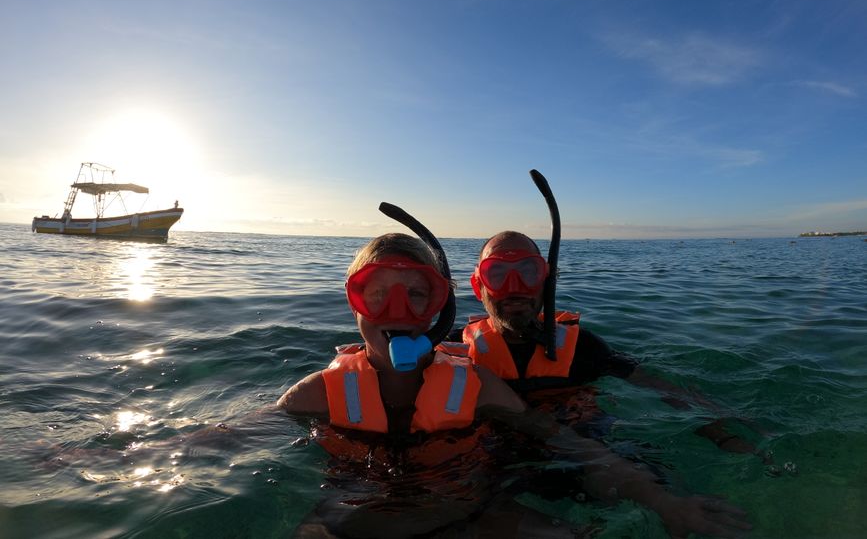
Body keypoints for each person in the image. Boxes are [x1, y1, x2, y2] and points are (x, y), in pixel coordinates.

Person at [279, 217, 751, 538]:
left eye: (416, 296)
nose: (398, 311)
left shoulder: (488, 380)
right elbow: (242, 435)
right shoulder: (322, 391)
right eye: (376, 294)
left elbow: (583, 441)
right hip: (365, 511)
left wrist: (671, 493)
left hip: (483, 496)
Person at [461, 229, 761, 456]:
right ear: (478, 286)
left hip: (587, 452)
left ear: (547, 281)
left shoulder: (584, 347)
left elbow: (660, 388)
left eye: (529, 273)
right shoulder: (456, 355)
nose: (515, 288)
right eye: (497, 274)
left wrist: (721, 431)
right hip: (490, 457)